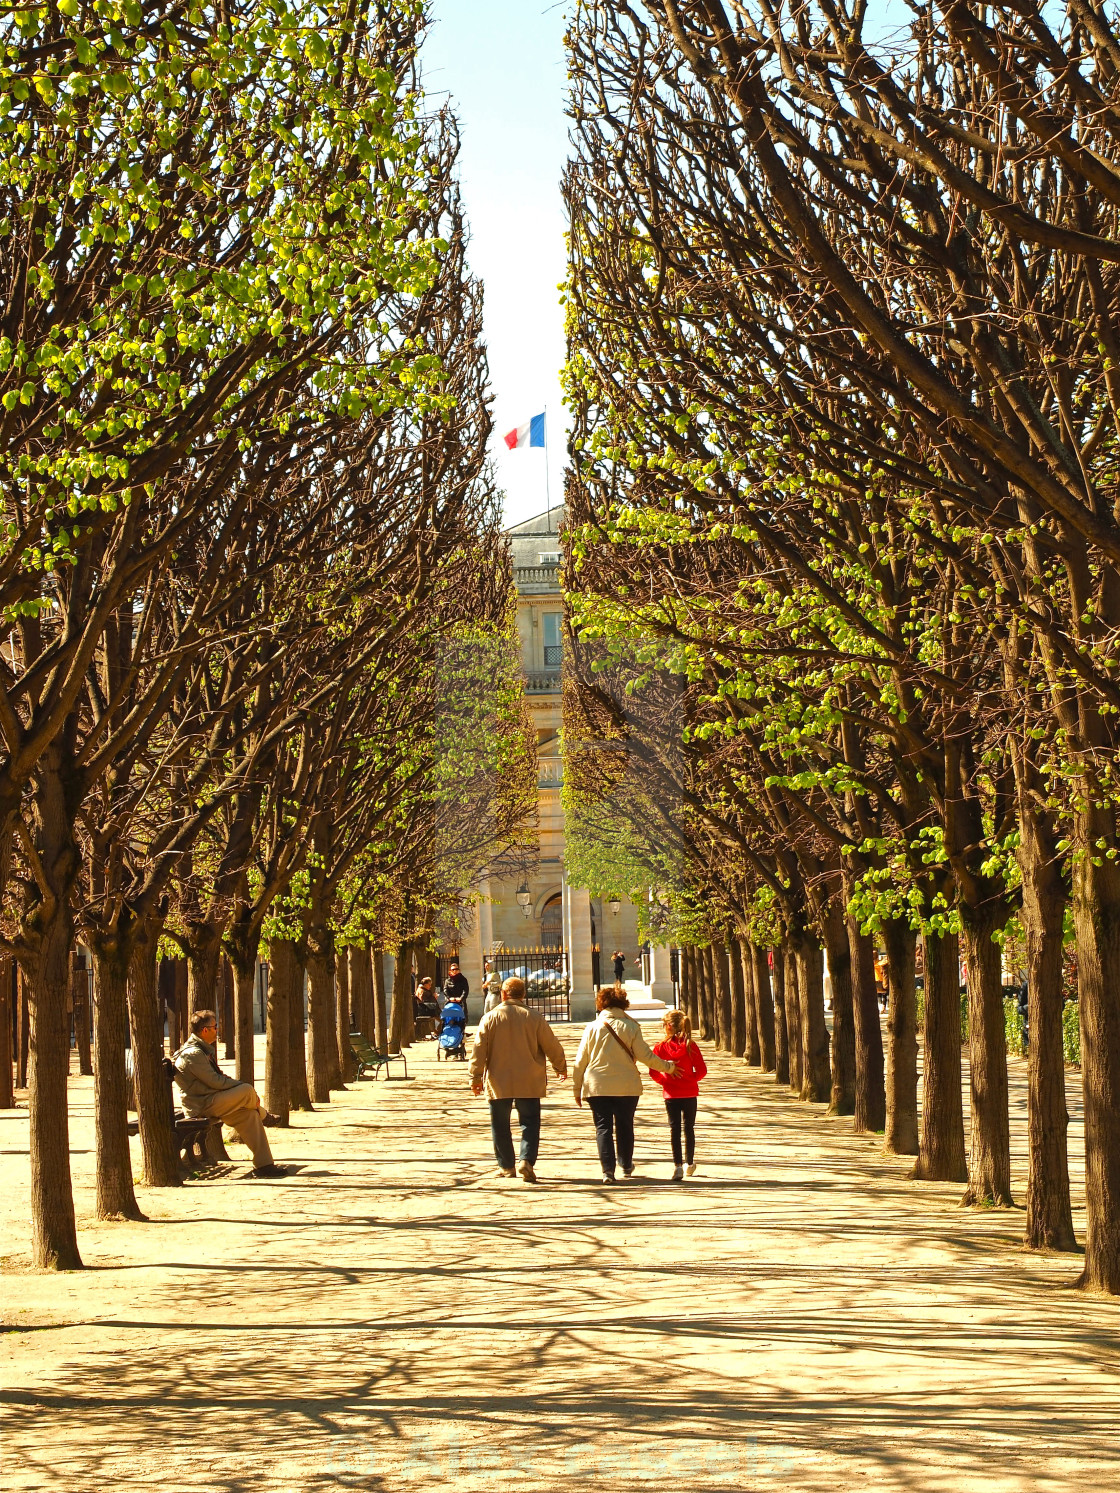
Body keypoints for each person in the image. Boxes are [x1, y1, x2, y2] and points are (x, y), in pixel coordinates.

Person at [571, 986, 676, 1184]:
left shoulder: (591, 1027)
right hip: (626, 1085)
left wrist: (577, 1088)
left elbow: (580, 1061)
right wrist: (668, 1067)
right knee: (625, 1125)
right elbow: (646, 1056)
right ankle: (626, 1164)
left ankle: (607, 1171)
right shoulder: (631, 1027)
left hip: (597, 1085)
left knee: (603, 1128)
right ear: (623, 1004)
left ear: (601, 1004)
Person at [469, 976, 568, 1182]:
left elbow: (479, 1050)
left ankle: (506, 1165)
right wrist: (560, 1068)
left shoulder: (489, 1018)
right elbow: (552, 1045)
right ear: (524, 995)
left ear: (503, 994)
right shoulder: (534, 1017)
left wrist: (475, 1077)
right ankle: (526, 1160)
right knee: (530, 1123)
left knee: (500, 1124)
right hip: (529, 1078)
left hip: (499, 1079)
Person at [172, 1009, 287, 1178]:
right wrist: (239, 1088)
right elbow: (216, 1082)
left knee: (249, 1115)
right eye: (215, 1026)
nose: (217, 1030)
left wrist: (236, 1089)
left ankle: (264, 1165)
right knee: (247, 1090)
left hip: (212, 1101)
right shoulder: (193, 1054)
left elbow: (217, 1079)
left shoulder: (201, 1050)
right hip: (201, 1106)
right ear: (205, 1030)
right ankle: (265, 1116)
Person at [650, 1009, 708, 1181]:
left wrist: (665, 1081)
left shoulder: (660, 1047)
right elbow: (702, 1070)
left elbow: (653, 1072)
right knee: (689, 1128)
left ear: (668, 1026)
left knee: (674, 1129)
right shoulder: (690, 1045)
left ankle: (677, 1166)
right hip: (689, 1092)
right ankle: (689, 1162)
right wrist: (691, 1079)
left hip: (670, 1093)